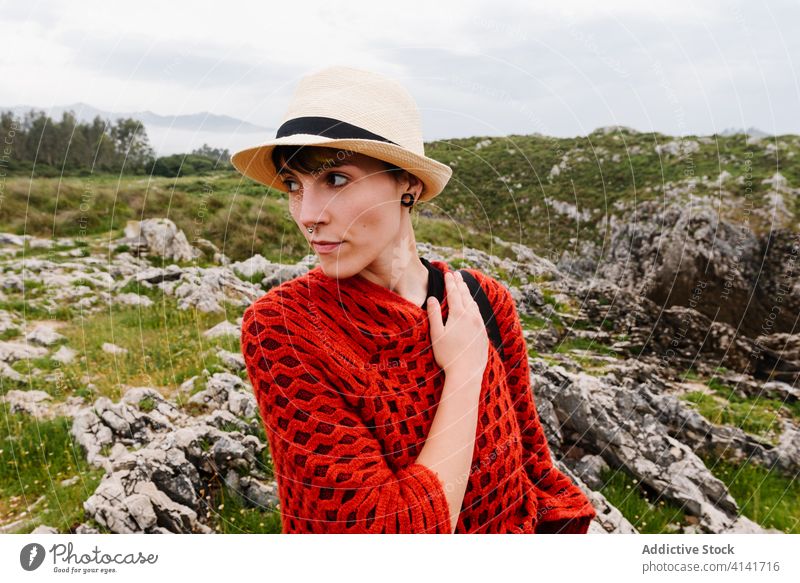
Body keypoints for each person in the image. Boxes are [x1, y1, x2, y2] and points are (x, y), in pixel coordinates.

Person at [232, 66, 596, 533]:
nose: (307, 215)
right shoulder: (284, 328)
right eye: (293, 185)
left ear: (409, 185)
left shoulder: (485, 302)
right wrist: (465, 372)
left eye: (336, 180)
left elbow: (531, 470)